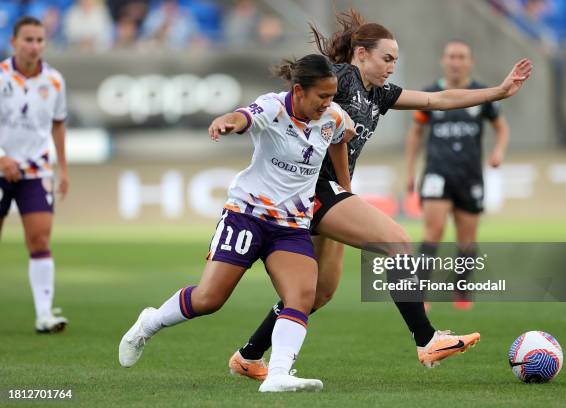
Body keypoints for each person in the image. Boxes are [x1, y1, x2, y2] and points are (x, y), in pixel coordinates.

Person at [230, 9, 532, 379]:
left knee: (318, 293)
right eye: (386, 58)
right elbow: (295, 101)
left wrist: (498, 92)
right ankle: (426, 339)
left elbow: (436, 100)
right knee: (399, 243)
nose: (392, 67)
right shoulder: (340, 78)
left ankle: (248, 356)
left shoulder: (379, 94)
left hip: (326, 193)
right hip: (313, 189)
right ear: (360, 54)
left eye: (395, 61)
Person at [118, 54, 355, 393]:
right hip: (248, 215)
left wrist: (345, 187)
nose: (328, 103)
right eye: (322, 96)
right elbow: (243, 117)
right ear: (299, 91)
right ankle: (149, 323)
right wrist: (226, 122)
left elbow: (341, 137)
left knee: (302, 295)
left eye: (332, 97)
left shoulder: (332, 116)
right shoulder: (273, 108)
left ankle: (277, 375)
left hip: (290, 226)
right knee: (209, 299)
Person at [406, 40, 510, 310]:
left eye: (461, 56)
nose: (456, 61)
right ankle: (421, 293)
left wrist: (498, 152)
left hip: (470, 176)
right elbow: (416, 132)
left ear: (470, 62)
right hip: (437, 173)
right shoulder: (429, 94)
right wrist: (409, 171)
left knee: (467, 238)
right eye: (451, 56)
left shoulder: (481, 94)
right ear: (443, 60)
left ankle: (461, 292)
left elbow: (501, 127)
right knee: (433, 232)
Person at [0, 16, 69, 333]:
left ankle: (44, 315)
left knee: (40, 239)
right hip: (1, 167)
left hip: (36, 169)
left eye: (40, 40)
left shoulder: (54, 80)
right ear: (13, 42)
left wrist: (63, 168)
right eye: (28, 39)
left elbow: (58, 123)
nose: (35, 46)